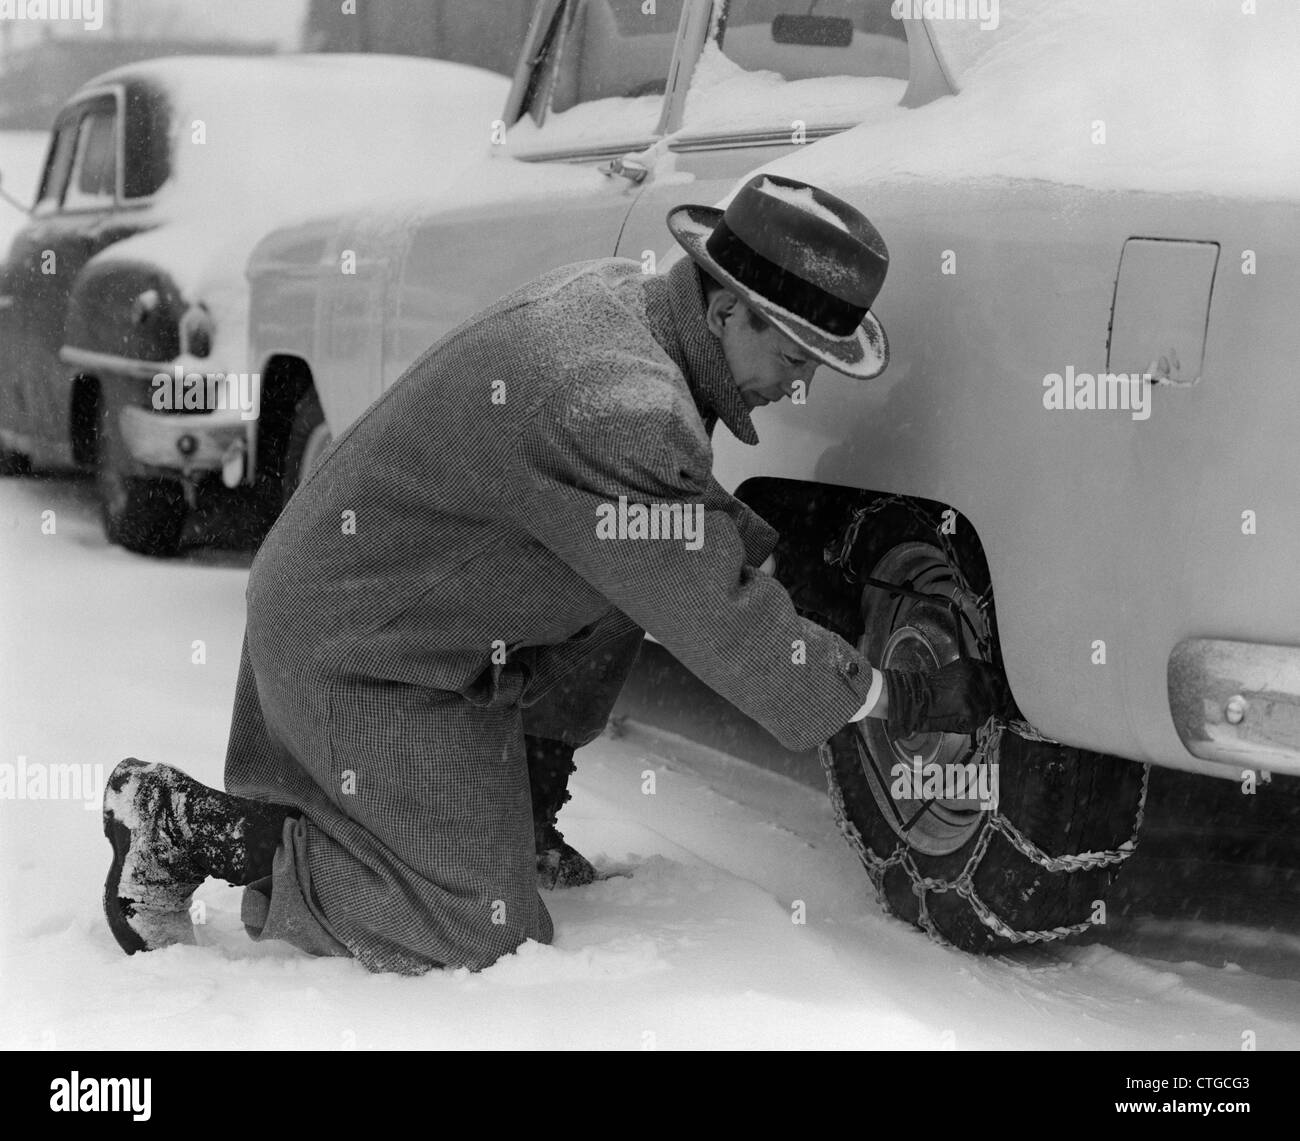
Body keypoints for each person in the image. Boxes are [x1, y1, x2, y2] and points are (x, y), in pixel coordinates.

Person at [102, 174, 1009, 975]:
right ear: (730, 306)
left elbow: (679, 542)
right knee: (471, 931)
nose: (799, 387)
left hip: (390, 596)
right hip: (361, 645)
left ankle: (522, 806)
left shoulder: (633, 304)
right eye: (795, 359)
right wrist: (889, 695)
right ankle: (190, 826)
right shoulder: (616, 404)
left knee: (638, 574)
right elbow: (720, 614)